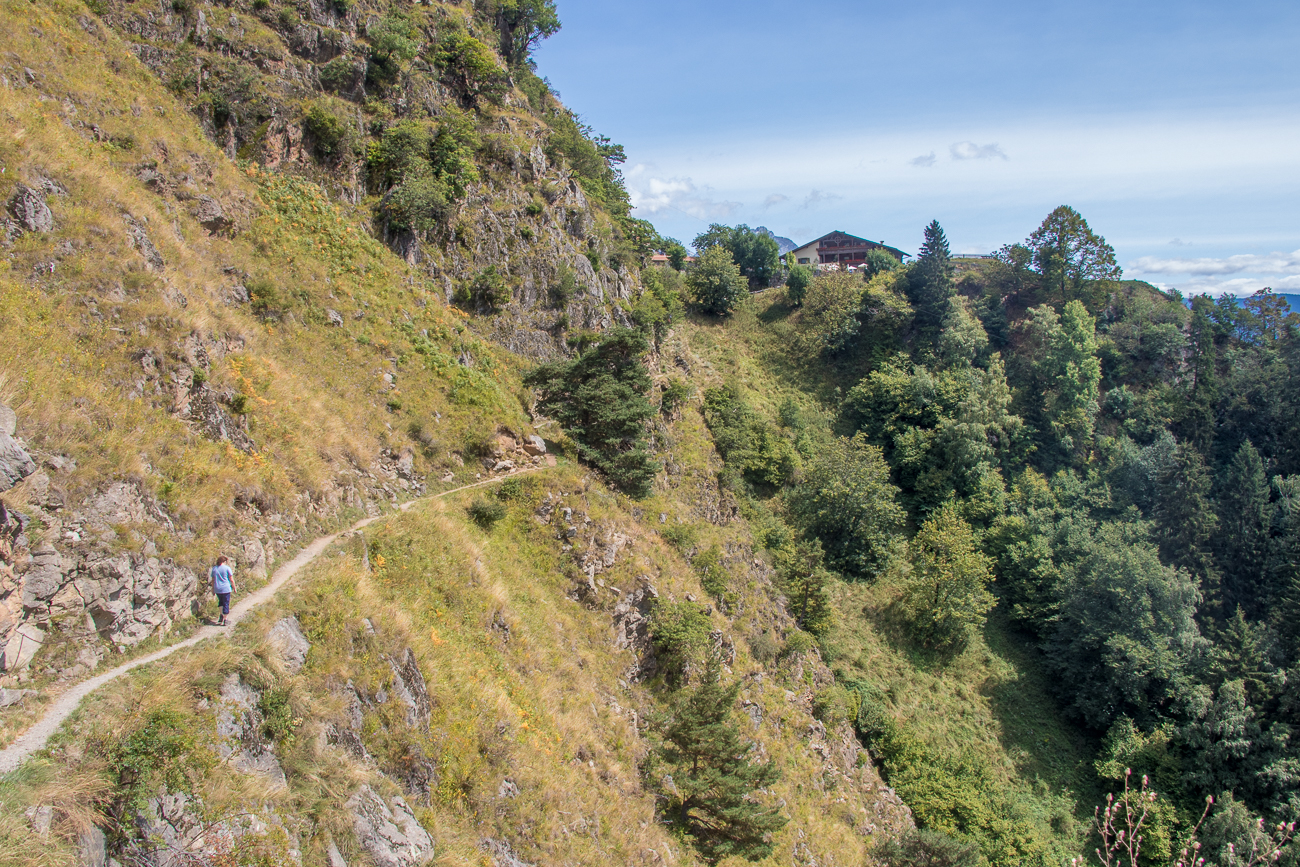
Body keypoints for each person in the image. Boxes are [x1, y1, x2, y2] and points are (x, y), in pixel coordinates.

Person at [210, 555, 234, 626]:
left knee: (221, 602)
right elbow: (231, 579)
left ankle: (221, 615)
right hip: (226, 588)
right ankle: (225, 619)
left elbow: (213, 580)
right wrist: (234, 587)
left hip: (217, 588)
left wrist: (213, 589)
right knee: (226, 603)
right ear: (224, 561)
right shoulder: (227, 568)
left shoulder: (214, 568)